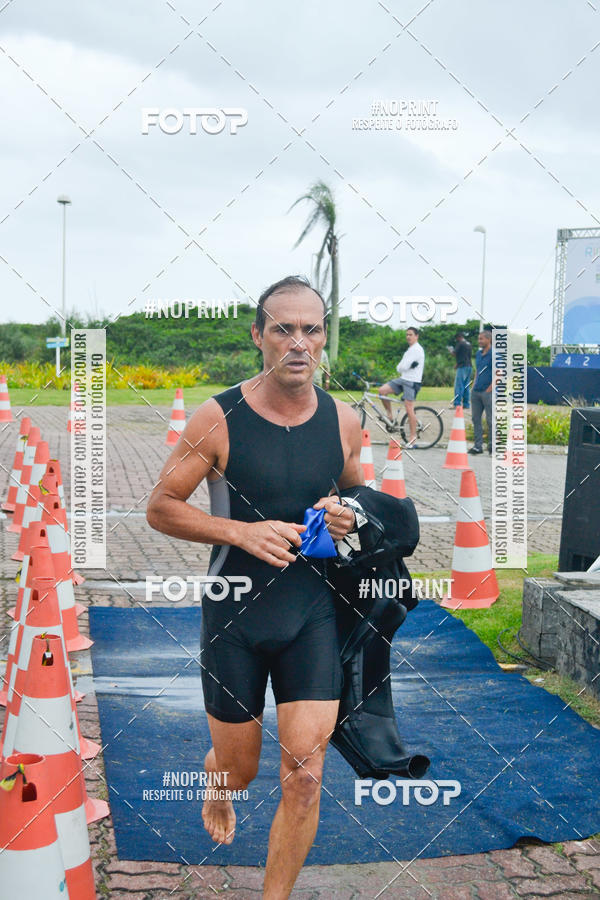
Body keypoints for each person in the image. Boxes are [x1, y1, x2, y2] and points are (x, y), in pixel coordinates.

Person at [146, 275, 363, 899]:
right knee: (240, 773)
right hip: (235, 614)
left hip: (313, 614)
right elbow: (161, 507)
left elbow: (355, 496)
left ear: (325, 338)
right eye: (283, 329)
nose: (299, 342)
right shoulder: (218, 416)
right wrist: (240, 533)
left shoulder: (346, 422)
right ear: (258, 337)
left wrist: (349, 513)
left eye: (312, 329)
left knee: (304, 775)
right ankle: (218, 782)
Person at [378, 326, 425, 446]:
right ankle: (390, 416)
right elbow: (400, 367)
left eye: (410, 334)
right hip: (403, 379)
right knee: (382, 391)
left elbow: (403, 367)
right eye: (407, 335)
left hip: (412, 381)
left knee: (409, 408)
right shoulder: (409, 350)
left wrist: (404, 366)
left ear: (416, 336)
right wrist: (404, 366)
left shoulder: (417, 350)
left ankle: (413, 438)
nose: (408, 337)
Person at [469, 329, 493, 455]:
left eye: (481, 339)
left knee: (490, 420)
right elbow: (478, 371)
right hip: (476, 391)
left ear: (488, 340)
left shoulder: (495, 354)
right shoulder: (478, 354)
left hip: (488, 392)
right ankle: (478, 446)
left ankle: (492, 447)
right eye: (479, 339)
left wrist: (490, 388)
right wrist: (473, 385)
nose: (479, 341)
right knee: (475, 419)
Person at [451, 331, 472, 409]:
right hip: (469, 366)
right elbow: (467, 357)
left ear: (458, 338)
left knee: (459, 386)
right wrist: (458, 363)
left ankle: (457, 404)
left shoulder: (460, 344)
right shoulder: (469, 344)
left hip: (462, 367)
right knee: (466, 386)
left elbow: (454, 353)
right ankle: (466, 404)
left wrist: (451, 351)